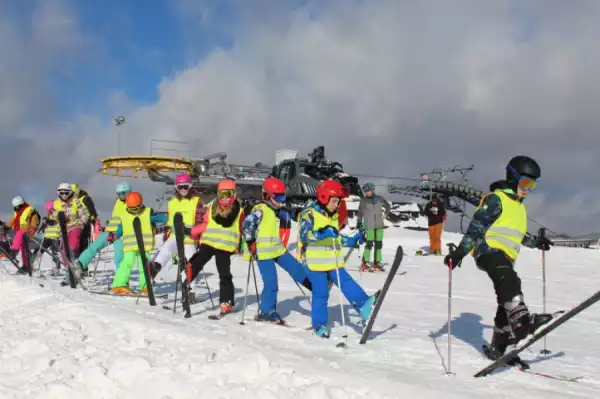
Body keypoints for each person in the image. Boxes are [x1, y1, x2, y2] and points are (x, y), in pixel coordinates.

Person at [444, 156, 554, 365]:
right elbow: (477, 227)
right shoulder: (496, 199)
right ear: (513, 178)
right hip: (488, 251)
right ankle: (521, 322)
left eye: (533, 185)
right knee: (511, 281)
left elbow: (518, 234)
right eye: (525, 183)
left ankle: (500, 345)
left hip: (506, 256)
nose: (528, 189)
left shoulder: (519, 207)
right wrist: (460, 252)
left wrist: (536, 242)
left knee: (505, 300)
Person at [299, 180, 378, 338]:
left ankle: (363, 305)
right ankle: (319, 325)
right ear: (323, 197)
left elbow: (335, 237)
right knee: (320, 294)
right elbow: (304, 235)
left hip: (332, 260)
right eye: (334, 201)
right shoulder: (309, 213)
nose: (337, 205)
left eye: (338, 202)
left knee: (345, 280)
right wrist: (322, 233)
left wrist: (350, 241)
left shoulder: (333, 216)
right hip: (314, 263)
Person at [243, 177, 313, 322]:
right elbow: (247, 225)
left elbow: (294, 213)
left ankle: (315, 286)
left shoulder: (278, 209)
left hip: (278, 249)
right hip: (263, 253)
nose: (281, 200)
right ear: (267, 196)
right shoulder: (260, 210)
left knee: (296, 268)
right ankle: (266, 311)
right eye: (278, 197)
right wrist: (251, 243)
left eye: (283, 197)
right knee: (271, 283)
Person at [186, 179, 244, 313]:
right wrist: (191, 232)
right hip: (209, 242)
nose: (224, 198)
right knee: (200, 258)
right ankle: (188, 274)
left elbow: (243, 229)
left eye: (227, 194)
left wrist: (247, 246)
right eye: (221, 194)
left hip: (225, 247)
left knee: (224, 272)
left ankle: (226, 300)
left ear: (233, 194)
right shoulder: (212, 208)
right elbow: (204, 225)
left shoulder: (239, 212)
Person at [149, 173, 205, 279]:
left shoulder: (196, 201)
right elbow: (170, 222)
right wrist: (167, 232)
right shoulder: (172, 203)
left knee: (190, 262)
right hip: (175, 236)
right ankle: (155, 267)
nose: (183, 190)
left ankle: (190, 288)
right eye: (180, 187)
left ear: (190, 186)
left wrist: (196, 233)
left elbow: (200, 219)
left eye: (185, 187)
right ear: (176, 188)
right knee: (166, 248)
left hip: (189, 238)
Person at [110, 192, 167, 295]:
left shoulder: (148, 213)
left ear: (141, 205)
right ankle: (119, 285)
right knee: (126, 264)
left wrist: (172, 221)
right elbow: (120, 229)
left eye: (137, 209)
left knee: (144, 266)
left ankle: (145, 287)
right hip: (129, 246)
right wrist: (114, 235)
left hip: (144, 246)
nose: (135, 212)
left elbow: (162, 218)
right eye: (131, 209)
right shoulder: (124, 216)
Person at [72, 182, 131, 273]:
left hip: (122, 234)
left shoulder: (133, 202)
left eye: (123, 193)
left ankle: (121, 278)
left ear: (129, 192)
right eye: (118, 194)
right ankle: (80, 264)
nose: (121, 196)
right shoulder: (118, 202)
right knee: (94, 246)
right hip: (111, 231)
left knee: (119, 256)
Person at [355, 182, 390, 272]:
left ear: (372, 190)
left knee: (379, 244)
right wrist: (359, 222)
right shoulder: (363, 200)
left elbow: (388, 206)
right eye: (365, 191)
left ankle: (376, 262)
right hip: (369, 225)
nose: (366, 193)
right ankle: (365, 262)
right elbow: (360, 213)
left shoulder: (379, 199)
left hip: (379, 225)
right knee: (369, 243)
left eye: (368, 191)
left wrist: (385, 215)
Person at [3, 196, 40, 272]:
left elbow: (34, 220)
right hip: (21, 232)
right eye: (15, 207)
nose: (17, 208)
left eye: (18, 207)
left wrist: (32, 228)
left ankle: (13, 251)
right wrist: (6, 227)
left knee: (19, 233)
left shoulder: (30, 210)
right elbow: (12, 221)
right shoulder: (17, 212)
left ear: (22, 204)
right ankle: (26, 266)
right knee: (24, 249)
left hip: (29, 231)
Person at [71, 184, 98, 254]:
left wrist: (92, 216)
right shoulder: (73, 200)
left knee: (83, 237)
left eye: (73, 193)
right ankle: (75, 252)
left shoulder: (85, 198)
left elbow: (91, 208)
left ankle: (83, 253)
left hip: (87, 221)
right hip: (77, 222)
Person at [38, 200, 62, 271]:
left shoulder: (57, 214)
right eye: (48, 210)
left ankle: (57, 267)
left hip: (55, 236)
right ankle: (32, 264)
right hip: (47, 236)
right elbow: (48, 222)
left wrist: (47, 221)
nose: (48, 211)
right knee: (40, 250)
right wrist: (43, 226)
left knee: (55, 252)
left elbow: (54, 222)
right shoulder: (49, 215)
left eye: (50, 209)